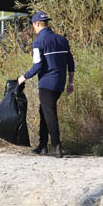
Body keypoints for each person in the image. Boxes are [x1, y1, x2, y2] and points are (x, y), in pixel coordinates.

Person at [17, 12, 75, 158]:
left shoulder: (38, 42)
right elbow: (71, 62)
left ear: (36, 24)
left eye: (33, 25)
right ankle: (43, 146)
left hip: (47, 84)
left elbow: (38, 65)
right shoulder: (62, 39)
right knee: (44, 110)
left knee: (50, 114)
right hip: (60, 83)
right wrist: (70, 82)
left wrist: (23, 77)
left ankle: (56, 146)